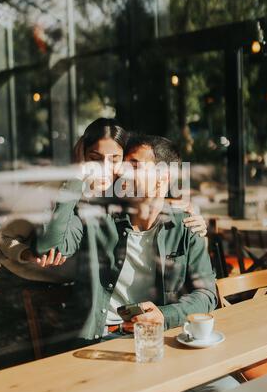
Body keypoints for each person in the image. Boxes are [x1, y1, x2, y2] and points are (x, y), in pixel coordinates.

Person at [34, 133, 217, 342]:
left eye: (135, 166)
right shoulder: (96, 217)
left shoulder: (185, 226)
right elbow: (47, 247)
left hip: (154, 338)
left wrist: (164, 316)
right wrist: (77, 176)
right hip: (97, 340)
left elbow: (206, 295)